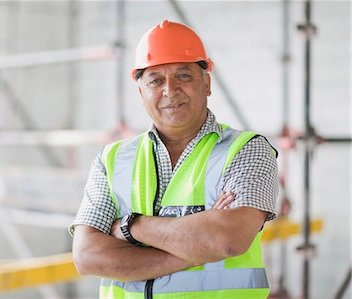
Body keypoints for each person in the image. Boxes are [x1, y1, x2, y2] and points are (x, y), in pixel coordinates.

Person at [70, 19, 278, 299]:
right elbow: (87, 256)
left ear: (206, 82)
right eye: (156, 80)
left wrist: (131, 226)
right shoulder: (112, 160)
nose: (170, 90)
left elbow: (227, 240)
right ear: (140, 91)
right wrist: (195, 250)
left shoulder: (246, 151)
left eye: (183, 75)